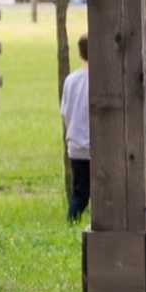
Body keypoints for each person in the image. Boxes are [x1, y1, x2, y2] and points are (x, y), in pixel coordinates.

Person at [59, 57, 93, 221]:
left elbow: (65, 110)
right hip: (96, 146)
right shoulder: (99, 79)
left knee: (80, 193)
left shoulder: (71, 80)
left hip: (76, 146)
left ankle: (72, 221)